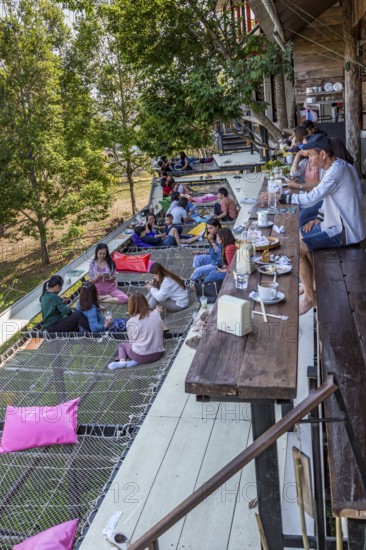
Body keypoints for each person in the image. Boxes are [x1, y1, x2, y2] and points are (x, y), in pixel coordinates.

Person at [278, 134, 365, 315]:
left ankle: (310, 297)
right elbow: (329, 199)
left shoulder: (336, 171)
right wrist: (318, 216)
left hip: (345, 232)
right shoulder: (334, 167)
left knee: (296, 247)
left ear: (323, 154)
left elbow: (313, 196)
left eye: (310, 155)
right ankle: (310, 284)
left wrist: (283, 197)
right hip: (337, 225)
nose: (309, 159)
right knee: (300, 235)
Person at [107, 293, 165, 370]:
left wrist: (133, 318)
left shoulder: (131, 322)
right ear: (145, 302)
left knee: (123, 345)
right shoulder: (156, 313)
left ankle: (122, 361)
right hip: (158, 353)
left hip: (142, 357)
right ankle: (134, 361)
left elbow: (132, 341)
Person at [134, 224, 201, 247]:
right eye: (144, 231)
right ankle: (179, 245)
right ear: (141, 232)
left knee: (184, 241)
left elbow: (153, 239)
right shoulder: (145, 238)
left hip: (164, 242)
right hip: (165, 243)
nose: (145, 232)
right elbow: (156, 240)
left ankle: (198, 237)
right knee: (174, 229)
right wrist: (159, 236)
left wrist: (157, 236)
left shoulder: (144, 238)